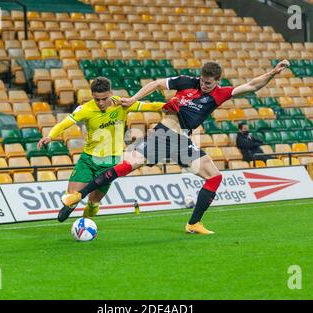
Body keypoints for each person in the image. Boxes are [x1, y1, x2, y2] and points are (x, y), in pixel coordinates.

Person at [59, 60, 290, 234]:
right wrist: (132, 99)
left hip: (183, 142)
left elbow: (252, 86)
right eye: (202, 81)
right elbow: (157, 84)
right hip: (164, 134)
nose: (204, 85)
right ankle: (78, 196)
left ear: (217, 81)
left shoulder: (220, 94)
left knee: (214, 177)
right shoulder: (186, 82)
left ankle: (193, 223)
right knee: (130, 165)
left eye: (209, 83)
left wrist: (273, 72)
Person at [37, 77, 163, 219]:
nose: (101, 103)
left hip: (110, 162)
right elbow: (65, 123)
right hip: (88, 159)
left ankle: (84, 224)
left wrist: (169, 105)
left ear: (110, 92)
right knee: (71, 197)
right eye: (97, 99)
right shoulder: (85, 109)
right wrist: (50, 136)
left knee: (93, 203)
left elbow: (150, 106)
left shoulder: (123, 104)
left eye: (104, 99)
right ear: (92, 95)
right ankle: (70, 206)